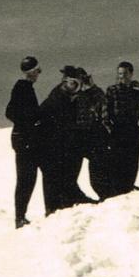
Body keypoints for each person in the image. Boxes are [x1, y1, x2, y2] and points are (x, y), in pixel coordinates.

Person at [38, 66, 96, 214]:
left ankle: (69, 201)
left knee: (67, 178)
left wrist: (91, 88)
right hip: (52, 147)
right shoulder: (56, 98)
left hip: (68, 146)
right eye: (71, 83)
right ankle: (54, 209)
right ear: (64, 81)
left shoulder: (74, 98)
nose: (74, 87)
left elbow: (98, 101)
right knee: (54, 180)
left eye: (77, 83)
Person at [102, 60, 139, 196]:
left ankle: (128, 187)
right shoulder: (112, 90)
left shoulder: (134, 91)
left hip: (132, 129)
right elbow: (105, 111)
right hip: (117, 130)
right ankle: (118, 190)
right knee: (118, 161)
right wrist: (108, 129)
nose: (122, 77)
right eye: (120, 74)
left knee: (132, 162)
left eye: (125, 74)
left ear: (131, 74)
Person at [6, 56, 44, 228]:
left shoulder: (24, 88)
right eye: (37, 71)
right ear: (32, 72)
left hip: (24, 139)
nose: (39, 74)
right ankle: (20, 217)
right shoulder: (22, 88)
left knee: (27, 178)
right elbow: (10, 112)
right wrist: (30, 124)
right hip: (24, 140)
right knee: (26, 179)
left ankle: (20, 217)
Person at [70, 67, 114, 200]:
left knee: (97, 177)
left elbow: (103, 106)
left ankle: (106, 197)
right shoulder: (72, 95)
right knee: (71, 174)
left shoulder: (94, 93)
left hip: (93, 137)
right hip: (77, 137)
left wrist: (92, 87)